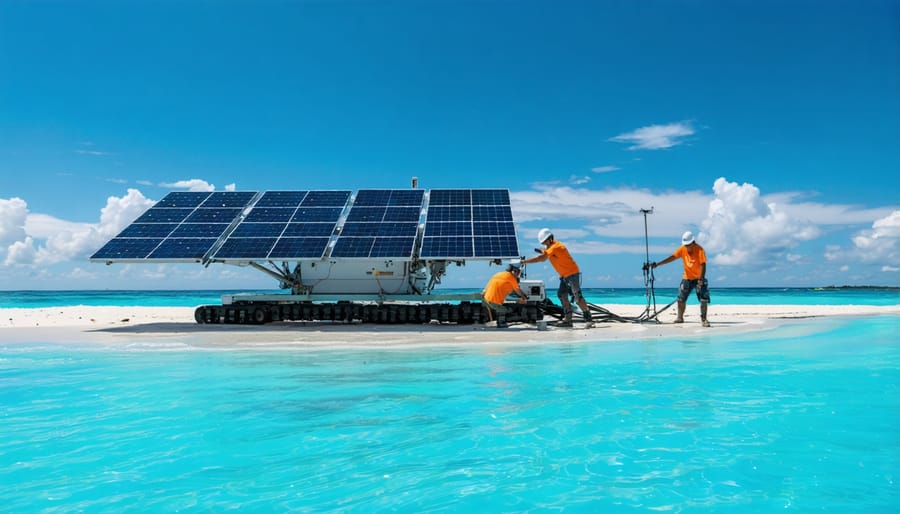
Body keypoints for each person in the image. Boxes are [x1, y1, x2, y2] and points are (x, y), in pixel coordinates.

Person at [521, 228, 594, 328]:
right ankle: (568, 320)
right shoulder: (550, 248)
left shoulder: (557, 246)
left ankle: (589, 319)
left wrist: (524, 262)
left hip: (572, 274)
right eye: (543, 243)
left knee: (577, 297)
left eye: (545, 241)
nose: (545, 244)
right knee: (561, 295)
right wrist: (543, 250)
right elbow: (547, 252)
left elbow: (542, 258)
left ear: (550, 238)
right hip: (564, 276)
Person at [651, 231, 711, 327]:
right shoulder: (682, 249)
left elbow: (703, 265)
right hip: (687, 277)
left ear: (693, 242)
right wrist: (658, 264)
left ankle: (704, 319)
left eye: (688, 245)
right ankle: (680, 318)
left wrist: (701, 279)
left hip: (699, 277)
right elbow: (672, 257)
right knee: (681, 298)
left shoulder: (700, 250)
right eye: (685, 245)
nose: (687, 247)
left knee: (703, 298)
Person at [481, 263, 529, 328]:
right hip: (494, 302)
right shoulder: (511, 277)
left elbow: (485, 290)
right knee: (509, 309)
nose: (518, 276)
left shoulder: (498, 274)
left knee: (502, 305)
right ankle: (501, 323)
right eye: (518, 273)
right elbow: (518, 291)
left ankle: (499, 320)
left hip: (486, 300)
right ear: (514, 271)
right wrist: (525, 298)